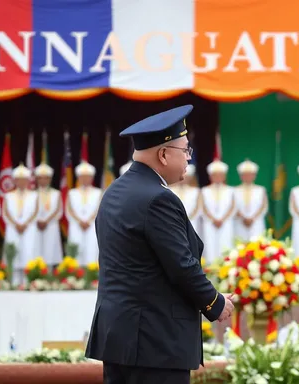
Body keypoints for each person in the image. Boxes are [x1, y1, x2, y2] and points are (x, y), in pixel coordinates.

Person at [85, 105, 234, 384]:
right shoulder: (159, 199)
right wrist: (215, 302)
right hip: (155, 343)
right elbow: (181, 265)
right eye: (186, 150)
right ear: (164, 154)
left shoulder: (114, 192)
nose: (190, 159)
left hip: (118, 338)